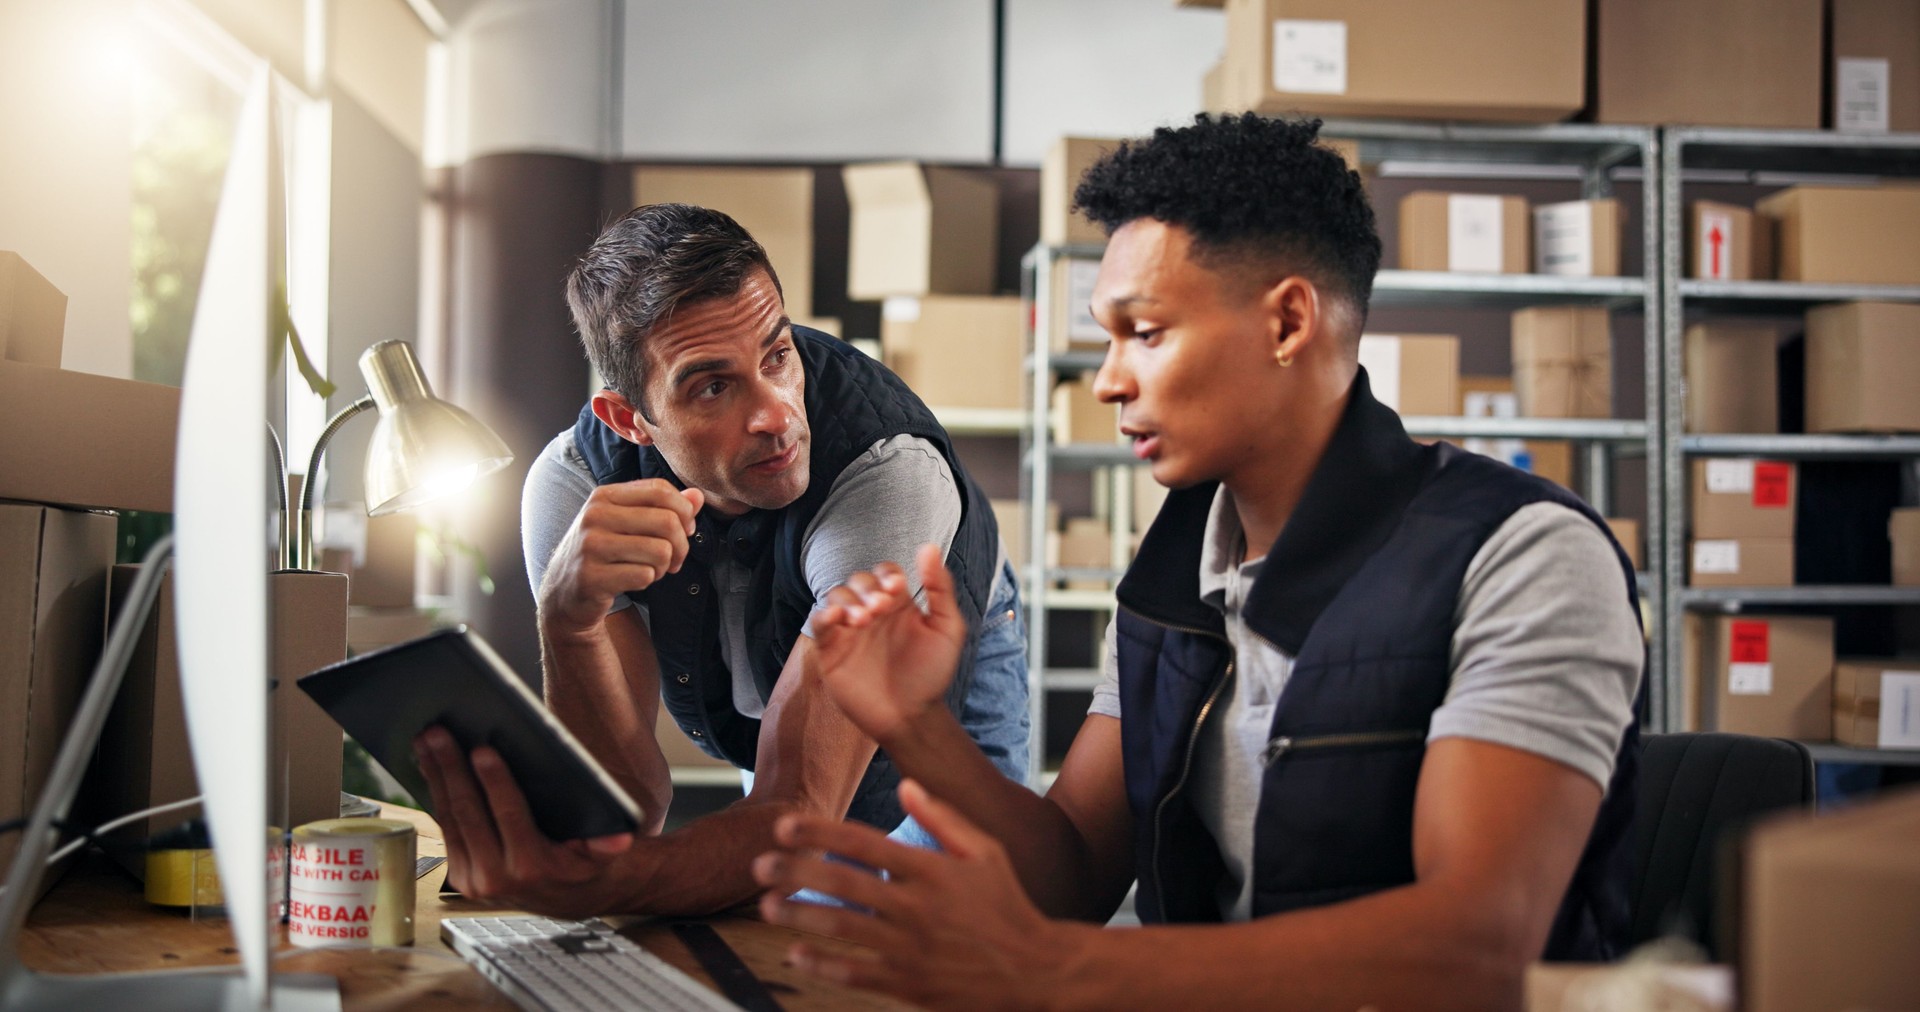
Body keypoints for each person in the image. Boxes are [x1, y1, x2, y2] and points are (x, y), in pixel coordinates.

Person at [750, 114, 1646, 1011]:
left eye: (1145, 332)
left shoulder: (1523, 554)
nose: (1107, 380)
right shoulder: (1179, 565)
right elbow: (1074, 876)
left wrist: (1055, 970)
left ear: (1289, 320)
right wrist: (917, 726)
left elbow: (1477, 942)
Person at [411, 202, 1029, 918]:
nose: (776, 417)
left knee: (956, 929)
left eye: (777, 355)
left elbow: (800, 810)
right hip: (773, 650)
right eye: (712, 385)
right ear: (630, 419)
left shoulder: (887, 472)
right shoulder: (573, 486)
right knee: (787, 917)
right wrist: (567, 618)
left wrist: (598, 889)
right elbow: (628, 813)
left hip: (949, 630)